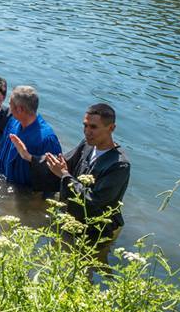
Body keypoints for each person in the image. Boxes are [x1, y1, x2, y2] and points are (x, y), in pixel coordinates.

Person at [11, 103, 131, 258]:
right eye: (85, 125)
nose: (87, 131)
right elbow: (62, 164)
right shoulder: (87, 145)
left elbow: (95, 201)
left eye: (93, 127)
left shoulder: (119, 165)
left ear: (111, 128)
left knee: (85, 264)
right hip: (71, 219)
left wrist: (64, 175)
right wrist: (29, 157)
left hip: (95, 230)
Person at [0, 85, 62, 189]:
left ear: (19, 109)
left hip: (25, 190)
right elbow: (0, 151)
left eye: (10, 104)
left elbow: (53, 176)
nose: (9, 108)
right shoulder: (13, 122)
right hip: (5, 181)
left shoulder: (47, 139)